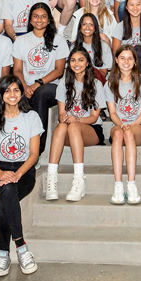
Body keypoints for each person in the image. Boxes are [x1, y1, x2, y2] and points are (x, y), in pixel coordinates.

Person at [0, 76, 42, 277]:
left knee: (1, 204)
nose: (12, 94)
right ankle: (22, 248)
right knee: (5, 189)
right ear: (2, 94)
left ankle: (3, 254)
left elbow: (33, 154)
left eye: (16, 90)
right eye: (7, 91)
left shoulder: (31, 117)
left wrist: (18, 174)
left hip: (24, 172)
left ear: (22, 93)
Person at [46, 47, 107, 202]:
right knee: (61, 126)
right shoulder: (63, 83)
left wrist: (76, 120)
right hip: (70, 129)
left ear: (87, 63)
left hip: (91, 130)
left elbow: (94, 117)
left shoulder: (96, 84)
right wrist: (65, 117)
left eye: (81, 60)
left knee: (72, 126)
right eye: (73, 60)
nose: (76, 63)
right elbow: (61, 114)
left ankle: (79, 180)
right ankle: (51, 179)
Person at [12, 3, 68, 153]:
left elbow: (59, 70)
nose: (39, 20)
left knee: (41, 93)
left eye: (43, 16)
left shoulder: (58, 40)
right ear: (30, 20)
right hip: (26, 85)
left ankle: (37, 149)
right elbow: (17, 70)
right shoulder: (21, 41)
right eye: (36, 16)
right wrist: (24, 86)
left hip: (50, 87)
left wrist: (37, 84)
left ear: (49, 20)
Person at [105, 44, 141, 204]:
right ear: (116, 60)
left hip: (140, 126)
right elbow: (112, 113)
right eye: (122, 58)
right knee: (119, 133)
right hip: (119, 125)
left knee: (128, 133)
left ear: (135, 62)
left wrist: (131, 125)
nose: (126, 61)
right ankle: (118, 186)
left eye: (130, 58)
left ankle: (131, 185)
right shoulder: (110, 83)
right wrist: (121, 124)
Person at [71, 12, 113, 78]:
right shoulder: (74, 46)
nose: (87, 27)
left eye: (91, 25)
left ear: (95, 28)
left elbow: (103, 73)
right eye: (84, 24)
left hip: (97, 81)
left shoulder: (104, 46)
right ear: (80, 27)